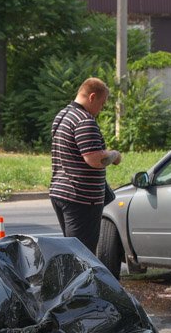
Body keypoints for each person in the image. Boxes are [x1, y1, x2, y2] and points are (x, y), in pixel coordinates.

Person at [49, 77, 121, 254]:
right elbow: (95, 159)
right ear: (92, 97)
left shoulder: (62, 116)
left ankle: (73, 281)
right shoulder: (84, 120)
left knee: (72, 250)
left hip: (61, 191)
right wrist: (114, 155)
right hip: (81, 198)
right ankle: (80, 283)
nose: (101, 109)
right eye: (102, 104)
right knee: (82, 254)